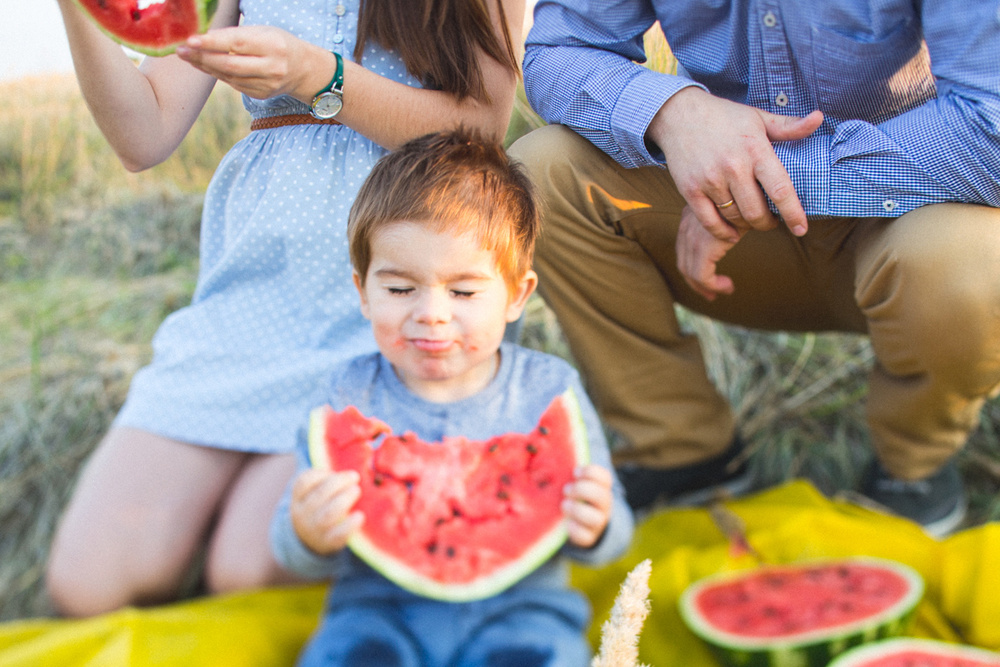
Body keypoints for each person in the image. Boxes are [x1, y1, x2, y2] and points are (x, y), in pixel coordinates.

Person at [46, 0, 525, 616]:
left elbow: (483, 128)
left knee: (249, 572)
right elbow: (143, 133)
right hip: (251, 289)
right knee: (89, 582)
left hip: (389, 282)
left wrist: (313, 74)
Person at [509, 1, 1000, 537]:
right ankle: (681, 450)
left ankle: (915, 464)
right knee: (543, 173)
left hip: (909, 218)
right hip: (721, 239)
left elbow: (991, 126)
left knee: (972, 260)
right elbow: (557, 52)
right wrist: (674, 113)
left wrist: (752, 177)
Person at [270, 129, 633, 667]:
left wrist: (599, 525)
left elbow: (614, 528)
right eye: (399, 289)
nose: (432, 314)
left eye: (463, 291)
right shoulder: (346, 396)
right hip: (378, 614)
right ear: (362, 292)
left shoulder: (549, 391)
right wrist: (306, 534)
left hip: (524, 615)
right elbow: (291, 544)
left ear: (517, 296)